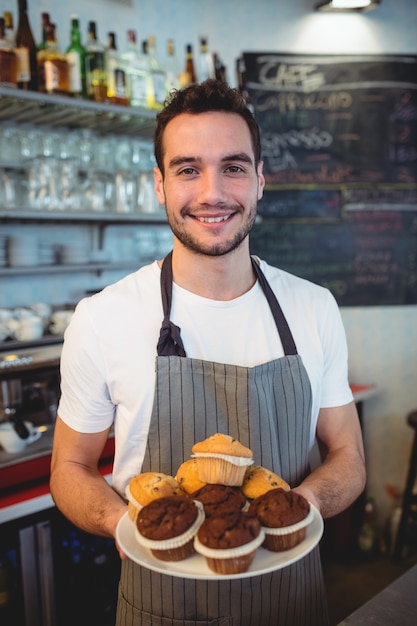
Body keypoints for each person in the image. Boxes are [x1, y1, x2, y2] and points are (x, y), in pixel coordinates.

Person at [50, 78, 366, 626]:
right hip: (161, 606)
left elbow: (349, 458)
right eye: (188, 169)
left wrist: (298, 510)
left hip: (292, 604)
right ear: (159, 183)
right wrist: (121, 522)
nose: (212, 193)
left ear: (261, 180)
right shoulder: (103, 318)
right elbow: (69, 467)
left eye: (235, 167)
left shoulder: (313, 307)